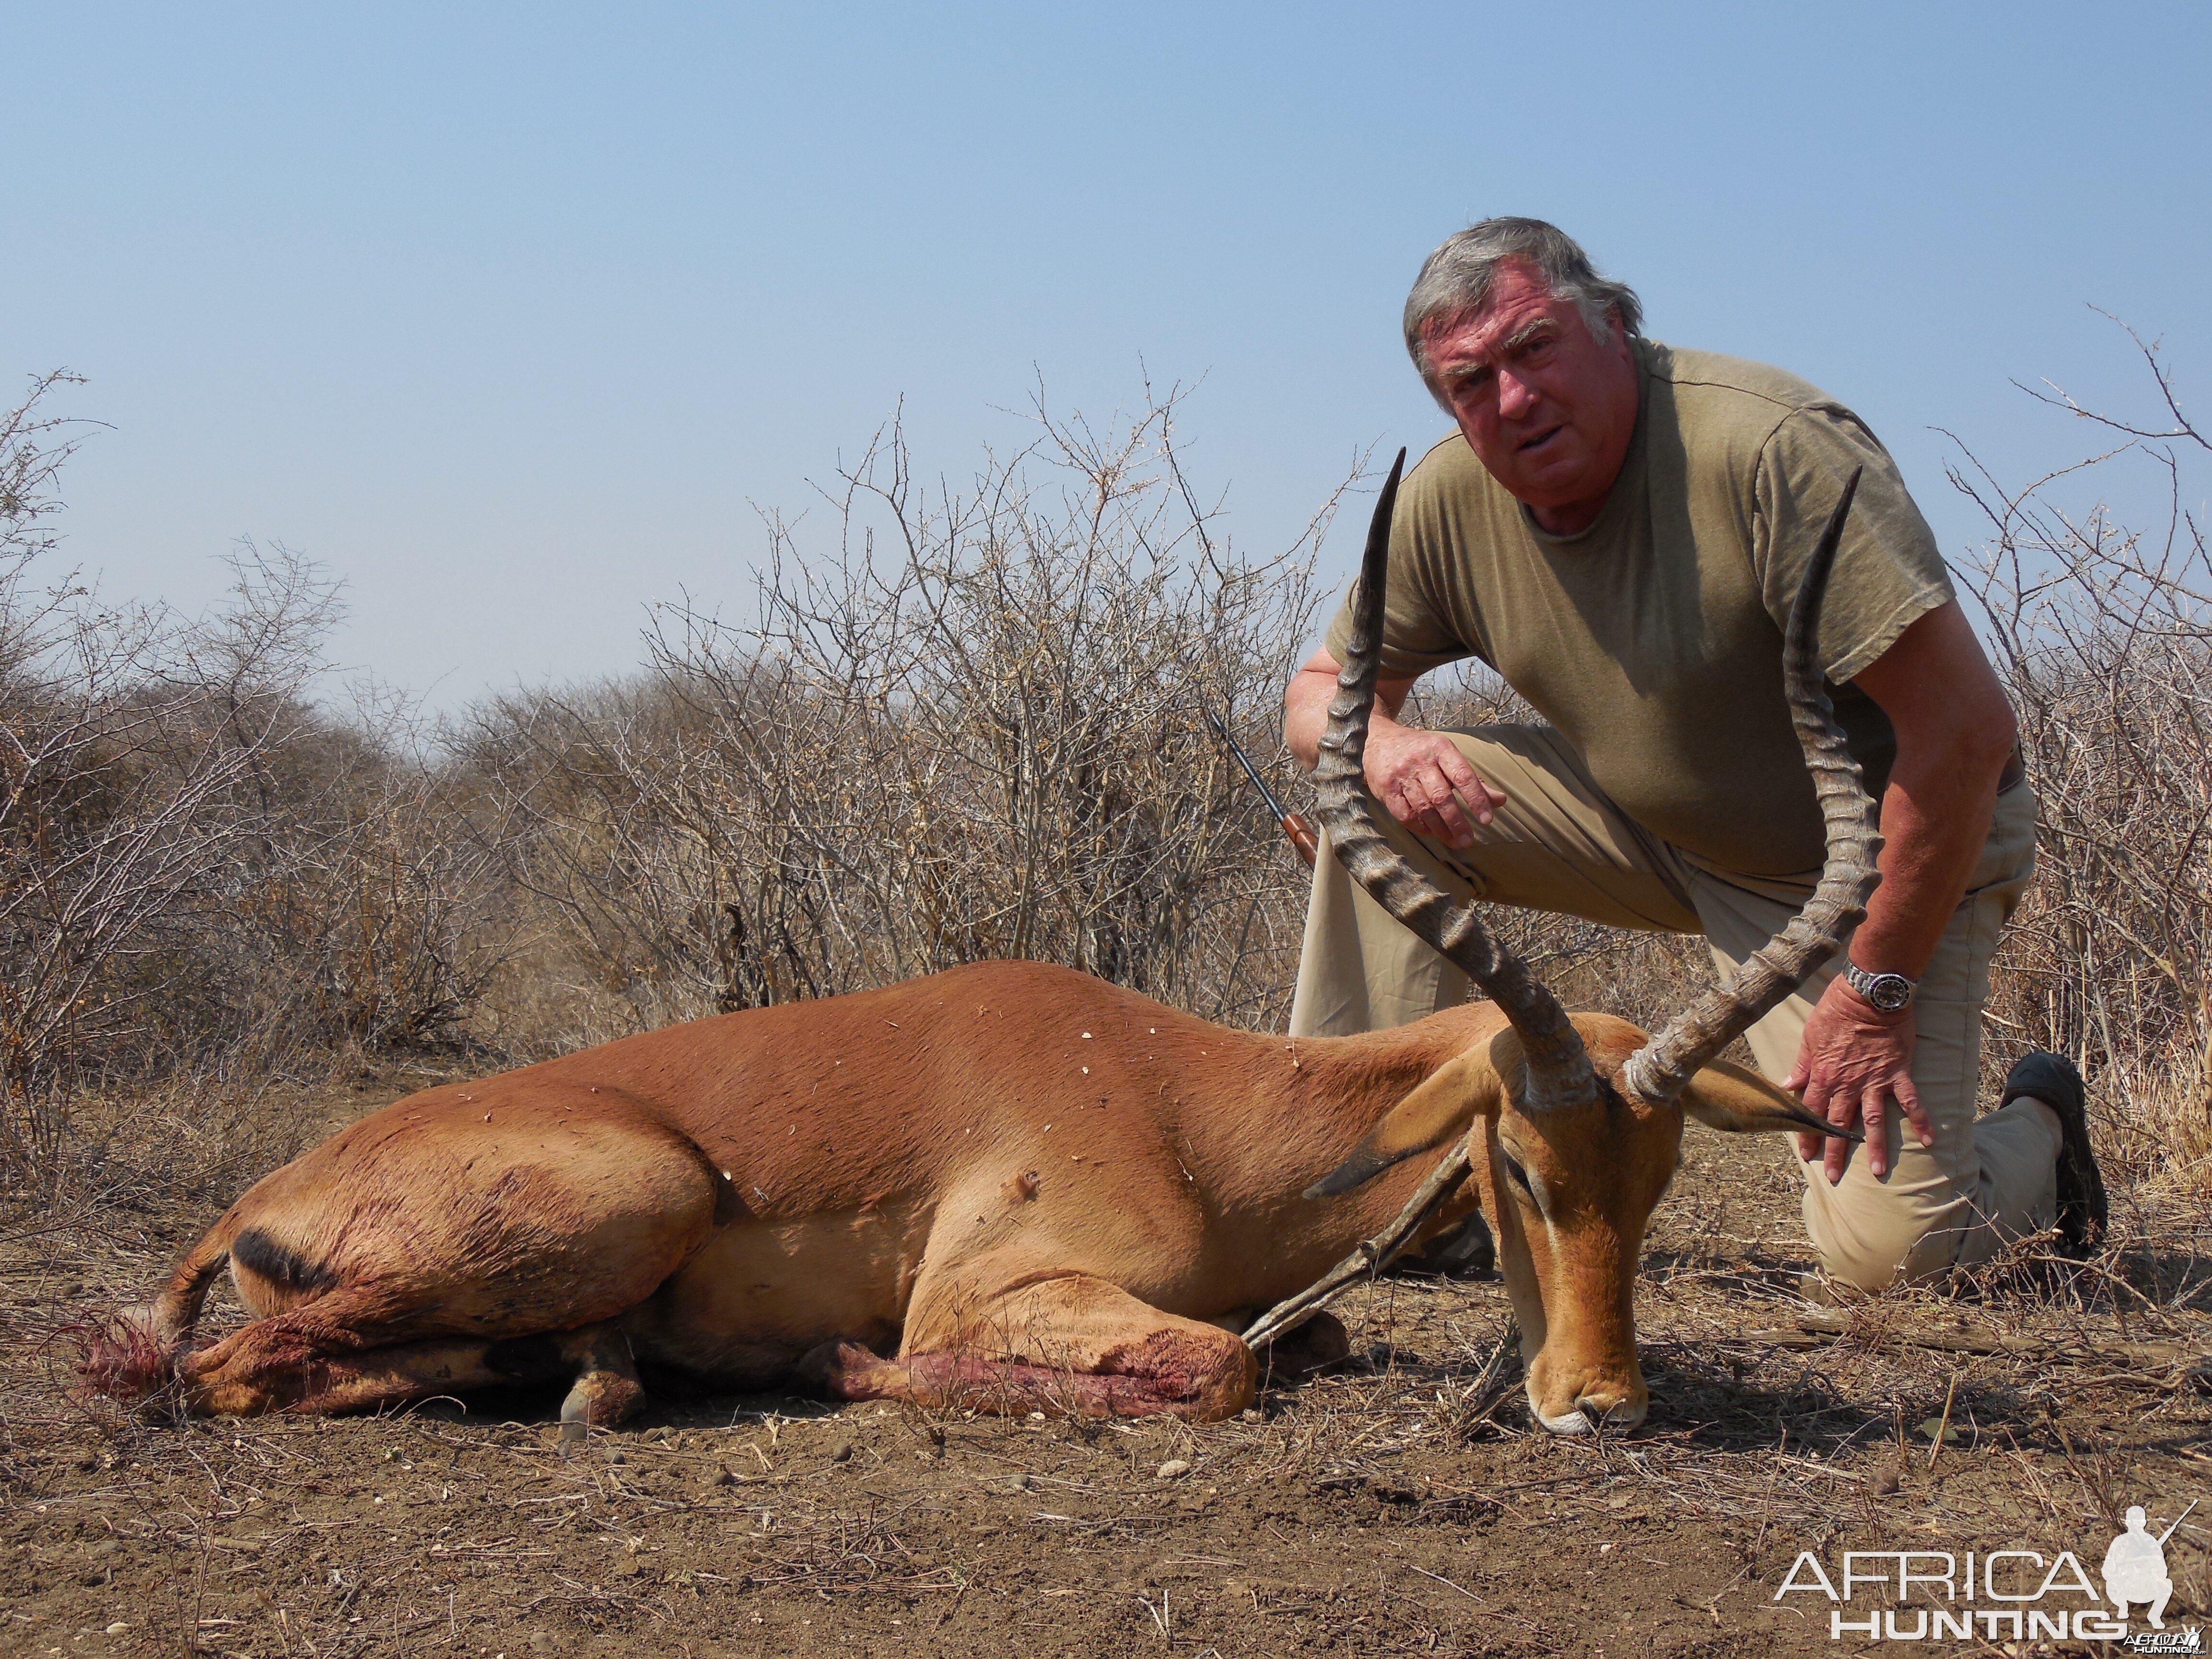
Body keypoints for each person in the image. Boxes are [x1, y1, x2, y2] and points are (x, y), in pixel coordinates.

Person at [1284, 217, 2105, 1291]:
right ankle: (1379, 1188)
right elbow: (1314, 701)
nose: (1513, 400)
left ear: (1617, 325)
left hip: (1868, 865)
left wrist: (1875, 990)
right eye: (1470, 382)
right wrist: (1386, 746)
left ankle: (2040, 1128)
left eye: (1536, 348)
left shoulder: (1769, 449)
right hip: (1652, 823)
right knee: (1366, 787)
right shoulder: (1450, 496)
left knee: (1892, 1259)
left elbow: (1964, 734)